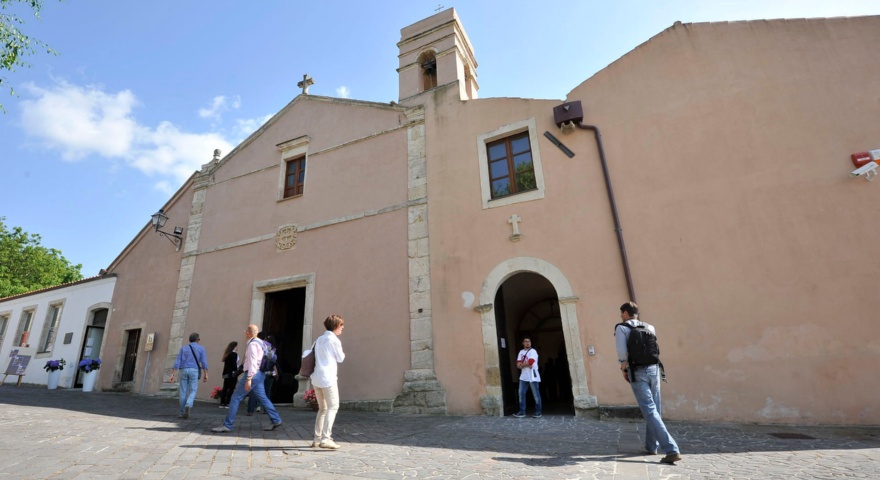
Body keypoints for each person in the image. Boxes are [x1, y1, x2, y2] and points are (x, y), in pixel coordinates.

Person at [615, 301, 682, 464]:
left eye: (621, 313)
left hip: (637, 371)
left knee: (649, 410)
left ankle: (672, 449)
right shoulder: (650, 327)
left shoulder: (621, 328)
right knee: (655, 409)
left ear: (625, 313)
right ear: (636, 313)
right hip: (654, 370)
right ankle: (651, 446)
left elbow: (622, 352)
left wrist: (624, 369)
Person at [212, 325, 283, 433]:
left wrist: (249, 378)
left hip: (253, 374)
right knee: (263, 398)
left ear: (249, 333)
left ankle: (227, 425)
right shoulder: (262, 343)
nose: (245, 333)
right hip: (260, 374)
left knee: (235, 398)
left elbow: (253, 362)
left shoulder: (252, 344)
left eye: (246, 331)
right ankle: (276, 419)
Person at [311, 314, 346, 449]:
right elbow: (340, 358)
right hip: (328, 377)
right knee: (333, 407)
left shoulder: (319, 339)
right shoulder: (334, 340)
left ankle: (316, 438)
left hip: (316, 377)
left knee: (322, 409)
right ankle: (326, 438)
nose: (343, 328)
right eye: (341, 325)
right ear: (336, 326)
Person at [169, 332, 209, 419]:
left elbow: (177, 362)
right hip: (194, 370)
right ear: (198, 340)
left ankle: (182, 412)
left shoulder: (183, 348)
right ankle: (188, 404)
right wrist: (206, 374)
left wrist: (172, 374)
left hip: (183, 370)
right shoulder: (201, 348)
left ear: (189, 340)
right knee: (193, 390)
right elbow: (204, 362)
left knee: (183, 392)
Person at [247, 332, 278, 415]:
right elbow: (272, 360)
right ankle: (267, 410)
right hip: (269, 372)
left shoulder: (259, 345)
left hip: (259, 371)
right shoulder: (273, 348)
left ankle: (250, 410)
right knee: (267, 392)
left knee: (254, 391)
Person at [513, 336, 542, 418]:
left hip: (533, 375)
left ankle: (538, 412)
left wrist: (522, 364)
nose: (528, 342)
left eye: (529, 341)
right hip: (523, 376)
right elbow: (518, 364)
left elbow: (531, 362)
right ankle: (522, 412)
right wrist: (523, 365)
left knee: (536, 395)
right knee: (521, 394)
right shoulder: (521, 352)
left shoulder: (533, 351)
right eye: (526, 341)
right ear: (523, 343)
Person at [219, 341, 240, 408]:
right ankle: (227, 402)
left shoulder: (227, 354)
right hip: (232, 374)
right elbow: (234, 365)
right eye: (236, 346)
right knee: (231, 388)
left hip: (226, 373)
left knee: (225, 388)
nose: (237, 347)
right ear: (234, 347)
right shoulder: (234, 354)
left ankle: (222, 403)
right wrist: (237, 371)